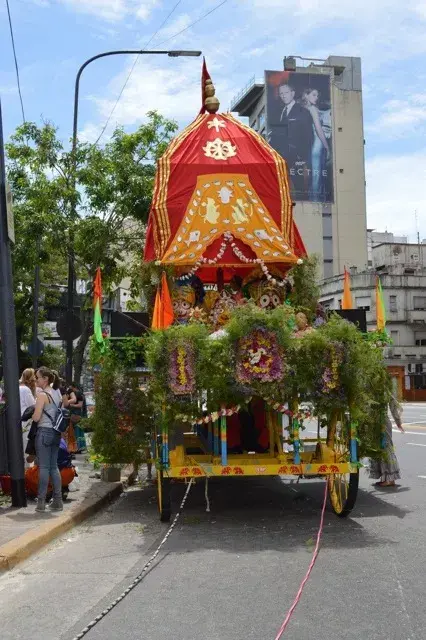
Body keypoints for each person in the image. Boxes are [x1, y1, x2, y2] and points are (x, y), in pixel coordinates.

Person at [32, 367, 63, 512]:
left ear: (45, 379)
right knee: (53, 467)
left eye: (37, 377)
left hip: (44, 432)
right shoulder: (57, 394)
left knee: (44, 467)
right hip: (56, 433)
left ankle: (41, 502)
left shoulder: (42, 395)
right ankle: (58, 501)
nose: (35, 379)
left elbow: (37, 418)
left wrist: (32, 414)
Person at [276, 83, 313, 194]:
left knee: (299, 188)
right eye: (281, 93)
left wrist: (302, 157)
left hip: (297, 158)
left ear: (293, 93)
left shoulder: (303, 112)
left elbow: (308, 136)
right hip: (282, 157)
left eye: (286, 92)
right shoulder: (281, 111)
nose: (283, 96)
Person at [301, 88, 330, 200]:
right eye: (314, 95)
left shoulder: (303, 108)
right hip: (317, 144)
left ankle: (314, 200)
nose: (316, 98)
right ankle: (316, 201)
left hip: (310, 145)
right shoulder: (312, 109)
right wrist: (327, 147)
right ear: (306, 95)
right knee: (317, 177)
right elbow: (318, 129)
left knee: (314, 176)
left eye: (317, 96)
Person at [369, 394, 404, 487]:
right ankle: (385, 477)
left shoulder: (382, 388)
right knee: (379, 449)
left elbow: (393, 404)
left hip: (382, 423)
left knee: (386, 448)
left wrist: (398, 422)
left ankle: (390, 479)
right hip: (375, 422)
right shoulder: (371, 386)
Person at [19, 369, 36, 462]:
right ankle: (25, 469)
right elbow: (32, 406)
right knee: (25, 443)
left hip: (18, 418)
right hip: (25, 420)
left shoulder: (18, 387)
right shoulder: (26, 389)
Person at [68, 383, 87, 453]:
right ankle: (80, 447)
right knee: (78, 431)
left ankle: (79, 447)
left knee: (77, 431)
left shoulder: (78, 394)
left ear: (74, 387)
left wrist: (71, 404)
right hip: (78, 414)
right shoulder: (79, 393)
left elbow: (80, 405)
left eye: (71, 388)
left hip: (77, 414)